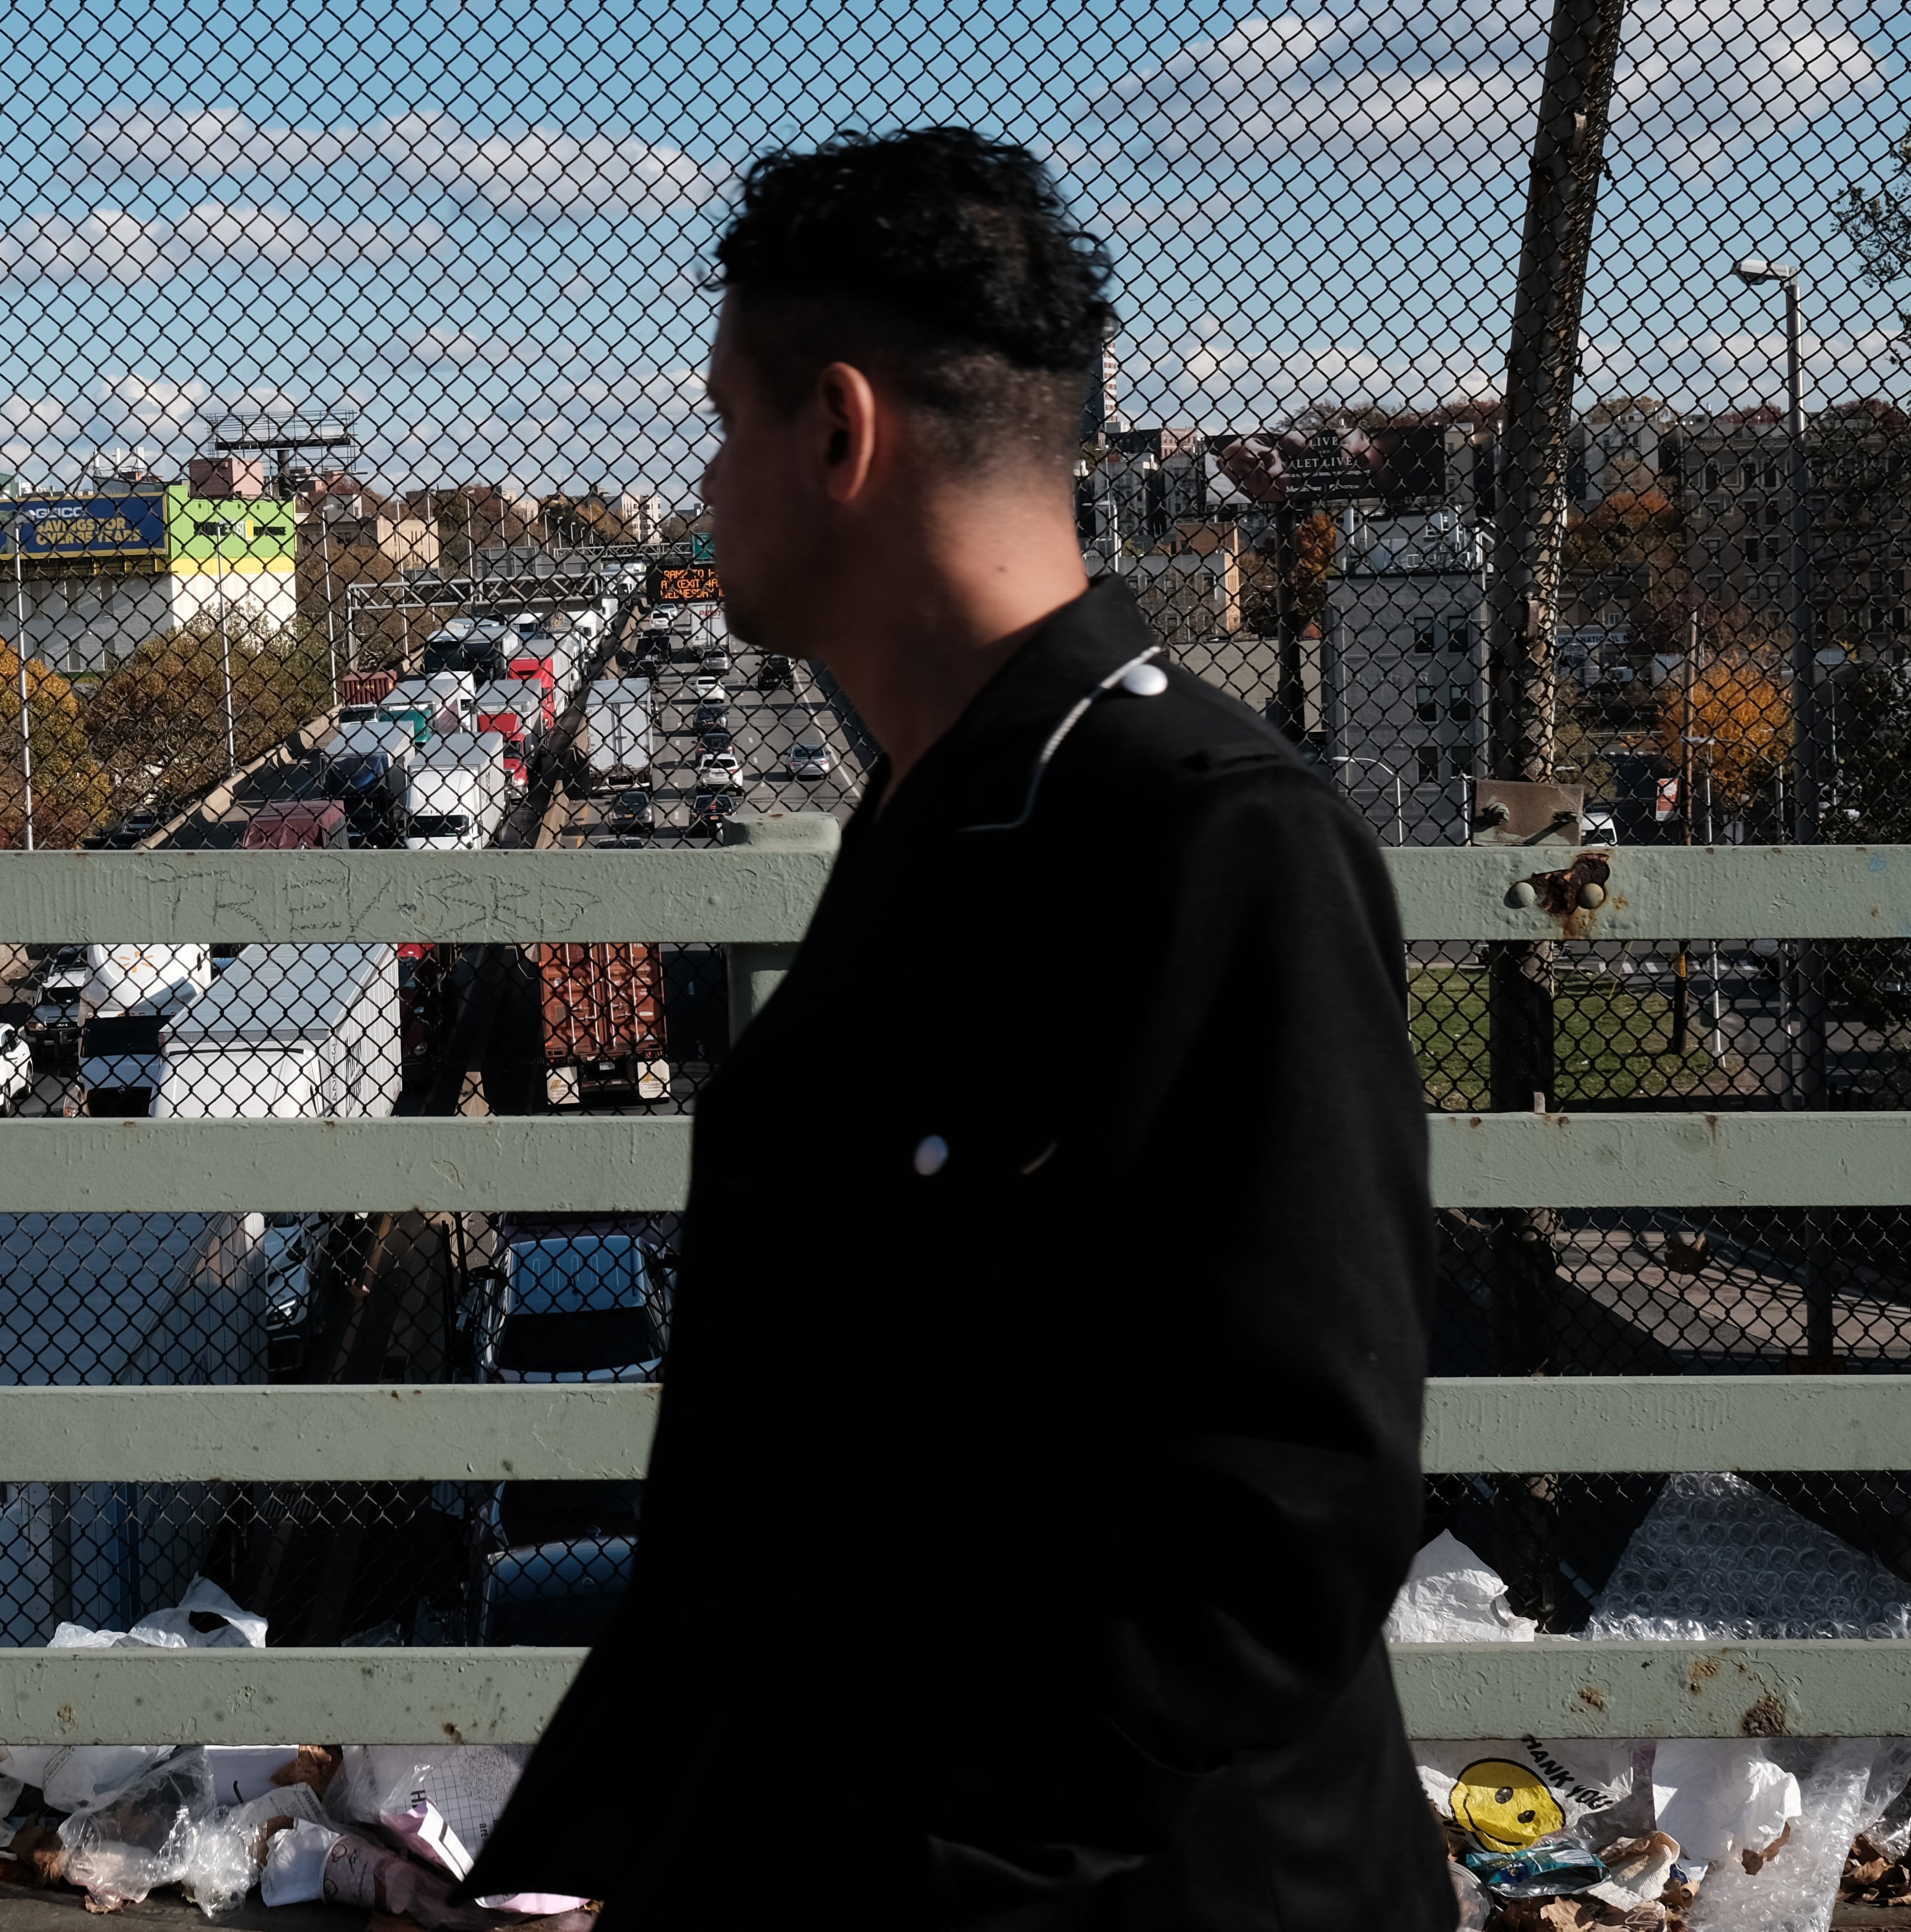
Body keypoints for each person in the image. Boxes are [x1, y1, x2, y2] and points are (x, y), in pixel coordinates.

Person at [466, 128, 1451, 1929]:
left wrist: (871, 1854)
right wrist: (585, 1858)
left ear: (837, 435)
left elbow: (1275, 1519)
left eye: (720, 422)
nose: (700, 481)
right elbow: (784, 1502)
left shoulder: (1214, 843)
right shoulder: (949, 818)